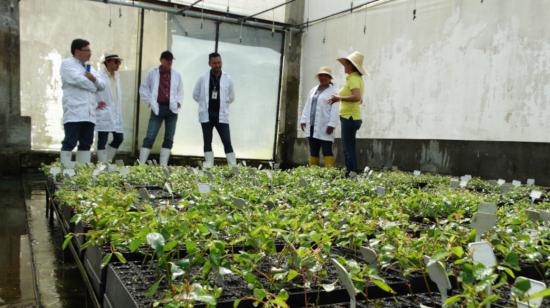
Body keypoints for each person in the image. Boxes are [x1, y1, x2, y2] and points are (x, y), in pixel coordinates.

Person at [60, 38, 106, 166]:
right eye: (87, 50)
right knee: (70, 141)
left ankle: (82, 172)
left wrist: (94, 80)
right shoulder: (67, 64)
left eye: (90, 50)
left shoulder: (89, 68)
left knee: (86, 143)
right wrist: (93, 85)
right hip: (75, 111)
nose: (90, 53)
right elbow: (76, 80)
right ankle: (64, 170)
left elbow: (102, 85)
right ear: (77, 51)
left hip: (89, 113)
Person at [138, 51, 183, 166]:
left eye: (171, 60)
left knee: (169, 138)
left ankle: (163, 165)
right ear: (161, 60)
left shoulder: (176, 75)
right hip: (158, 107)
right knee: (150, 136)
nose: (169, 62)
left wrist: (179, 102)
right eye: (167, 60)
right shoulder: (152, 73)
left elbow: (180, 91)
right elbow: (143, 88)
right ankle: (141, 164)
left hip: (172, 110)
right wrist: (149, 102)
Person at [192, 52, 236, 167]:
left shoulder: (228, 79)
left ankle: (233, 167)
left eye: (219, 62)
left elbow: (231, 97)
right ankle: (209, 166)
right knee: (207, 141)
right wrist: (203, 104)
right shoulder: (202, 78)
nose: (217, 65)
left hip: (221, 115)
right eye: (215, 63)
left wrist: (223, 105)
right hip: (207, 115)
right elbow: (195, 94)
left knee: (227, 141)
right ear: (209, 63)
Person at [329, 51, 366, 176]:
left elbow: (356, 97)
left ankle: (352, 173)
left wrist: (338, 98)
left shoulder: (353, 79)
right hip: (351, 117)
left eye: (346, 64)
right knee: (348, 146)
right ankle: (351, 171)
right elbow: (359, 98)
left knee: (348, 147)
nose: (344, 67)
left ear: (351, 65)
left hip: (349, 118)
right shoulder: (355, 79)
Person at [299, 66, 339, 167]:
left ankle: (329, 173)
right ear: (318, 77)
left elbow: (335, 109)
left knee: (327, 150)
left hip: (325, 125)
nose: (323, 77)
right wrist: (303, 119)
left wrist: (332, 124)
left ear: (330, 78)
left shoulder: (334, 92)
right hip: (311, 124)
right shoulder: (313, 90)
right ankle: (313, 173)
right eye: (321, 75)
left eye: (326, 76)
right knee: (313, 150)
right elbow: (308, 105)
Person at [95, 53, 124, 163]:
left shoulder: (116, 76)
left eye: (119, 62)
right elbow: (92, 91)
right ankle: (101, 166)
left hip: (115, 112)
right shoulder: (99, 76)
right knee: (102, 139)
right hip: (104, 112)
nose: (118, 65)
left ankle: (106, 162)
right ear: (107, 62)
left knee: (119, 138)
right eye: (116, 62)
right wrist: (95, 103)